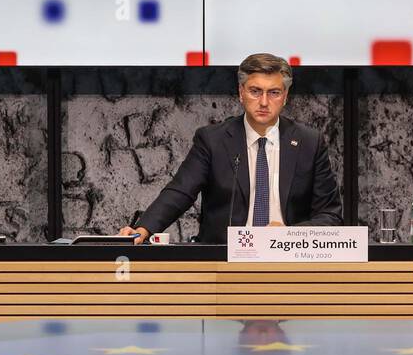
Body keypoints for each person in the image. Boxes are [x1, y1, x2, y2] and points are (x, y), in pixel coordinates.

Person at [117, 53, 343, 245]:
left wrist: (289, 236)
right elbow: (180, 191)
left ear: (285, 97)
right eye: (255, 91)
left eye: (273, 92)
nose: (264, 102)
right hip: (223, 259)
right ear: (241, 92)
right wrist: (144, 229)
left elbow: (330, 215)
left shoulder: (309, 142)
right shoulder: (213, 140)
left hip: (287, 259)